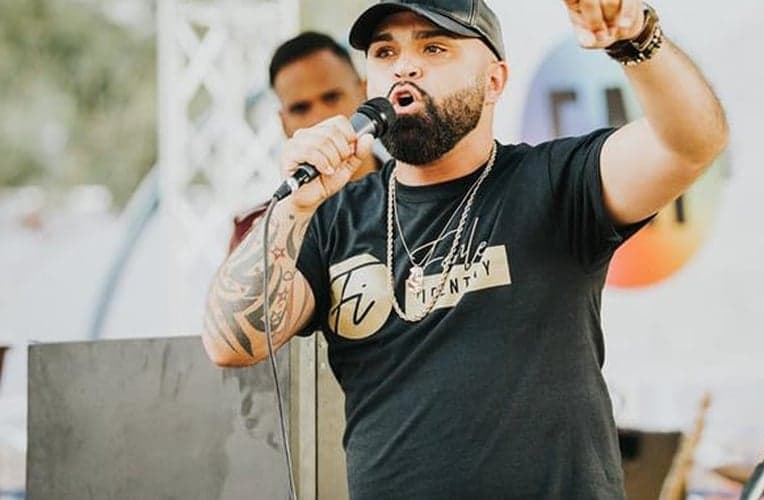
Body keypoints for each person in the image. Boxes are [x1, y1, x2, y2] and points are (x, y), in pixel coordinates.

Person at [202, 0, 728, 498]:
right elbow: (229, 342)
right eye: (386, 52)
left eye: (434, 48)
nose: (404, 67)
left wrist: (637, 36)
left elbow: (690, 143)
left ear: (494, 79)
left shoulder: (554, 182)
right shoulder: (334, 219)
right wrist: (294, 207)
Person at [228, 31, 384, 253]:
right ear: (283, 123)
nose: (319, 118)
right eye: (300, 108)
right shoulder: (258, 228)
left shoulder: (423, 199)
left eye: (331, 97)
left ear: (364, 92)